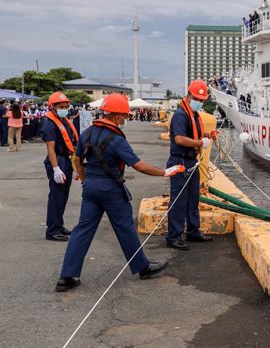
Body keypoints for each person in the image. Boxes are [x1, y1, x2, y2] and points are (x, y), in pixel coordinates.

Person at [56, 94, 185, 292]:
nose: (125, 119)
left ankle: (68, 276)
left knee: (82, 229)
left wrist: (84, 179)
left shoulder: (88, 132)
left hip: (90, 188)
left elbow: (77, 159)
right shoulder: (115, 139)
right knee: (124, 227)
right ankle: (142, 267)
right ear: (116, 116)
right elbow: (139, 166)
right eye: (124, 116)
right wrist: (165, 172)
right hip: (111, 189)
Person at [166, 80, 216, 251]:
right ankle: (174, 237)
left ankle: (193, 231)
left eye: (202, 100)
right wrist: (201, 143)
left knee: (193, 198)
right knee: (179, 200)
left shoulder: (193, 115)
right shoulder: (181, 115)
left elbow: (196, 132)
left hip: (191, 161)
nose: (199, 102)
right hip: (180, 161)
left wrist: (209, 134)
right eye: (197, 99)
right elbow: (179, 139)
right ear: (188, 96)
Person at [42, 92, 79, 241]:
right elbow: (50, 148)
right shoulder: (49, 124)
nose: (64, 108)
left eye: (66, 106)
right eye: (61, 106)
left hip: (67, 160)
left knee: (63, 196)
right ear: (53, 107)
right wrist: (56, 169)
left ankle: (58, 224)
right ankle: (52, 230)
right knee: (56, 196)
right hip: (57, 161)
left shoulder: (63, 120)